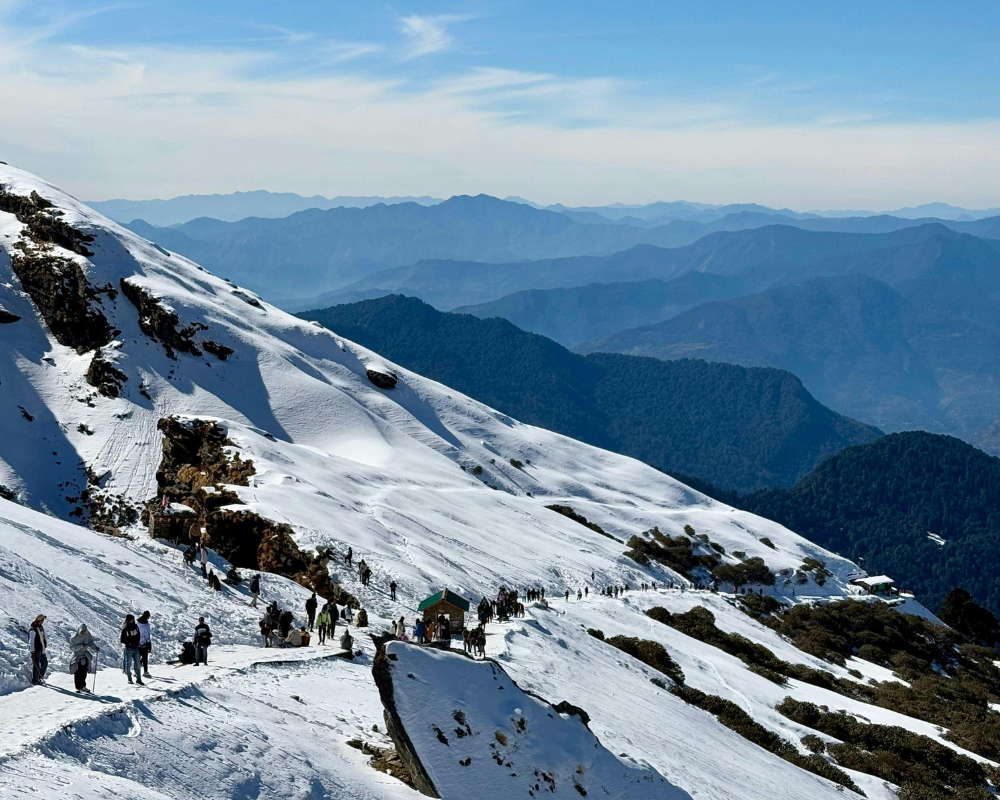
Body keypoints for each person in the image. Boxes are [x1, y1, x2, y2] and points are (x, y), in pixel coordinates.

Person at [69, 624, 98, 693]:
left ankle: (83, 686)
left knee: (84, 671)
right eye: (82, 631)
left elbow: (91, 642)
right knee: (77, 671)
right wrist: (81, 646)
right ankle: (78, 687)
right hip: (77, 656)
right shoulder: (74, 638)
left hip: (85, 656)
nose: (83, 633)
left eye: (84, 631)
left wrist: (95, 648)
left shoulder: (88, 635)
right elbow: (72, 647)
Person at [120, 614, 143, 685]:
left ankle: (139, 679)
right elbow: (122, 640)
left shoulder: (136, 627)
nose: (133, 620)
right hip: (128, 649)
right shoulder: (125, 629)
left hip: (136, 648)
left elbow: (138, 635)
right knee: (128, 665)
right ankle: (129, 679)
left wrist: (137, 643)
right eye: (131, 619)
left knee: (138, 664)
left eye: (133, 619)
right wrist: (129, 643)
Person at [28, 614, 48, 686]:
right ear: (40, 620)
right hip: (36, 650)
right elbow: (31, 641)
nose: (43, 621)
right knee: (36, 664)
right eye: (42, 620)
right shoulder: (33, 630)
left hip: (41, 649)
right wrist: (32, 652)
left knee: (44, 663)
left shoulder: (40, 627)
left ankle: (40, 677)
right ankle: (35, 680)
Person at [137, 611, 152, 679]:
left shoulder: (137, 623)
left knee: (137, 657)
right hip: (144, 643)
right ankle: (145, 672)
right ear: (147, 616)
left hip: (137, 642)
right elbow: (147, 635)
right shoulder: (146, 625)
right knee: (145, 658)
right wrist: (149, 643)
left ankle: (136, 671)